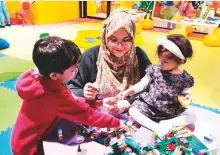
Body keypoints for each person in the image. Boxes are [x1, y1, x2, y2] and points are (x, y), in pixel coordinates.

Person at [11, 36, 128, 155]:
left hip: (25, 137)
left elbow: (72, 102)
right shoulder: (52, 95)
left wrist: (99, 103)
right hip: (30, 146)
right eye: (73, 70)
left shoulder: (40, 76)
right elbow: (85, 114)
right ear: (54, 75)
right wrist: (116, 122)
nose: (76, 71)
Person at [68, 9, 151, 111]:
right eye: (113, 40)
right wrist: (85, 93)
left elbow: (153, 86)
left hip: (132, 111)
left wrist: (129, 102)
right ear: (105, 37)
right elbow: (72, 88)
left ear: (133, 38)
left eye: (126, 40)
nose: (119, 46)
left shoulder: (139, 56)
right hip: (97, 112)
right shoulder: (91, 57)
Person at [118, 34, 196, 138]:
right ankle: (155, 126)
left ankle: (167, 124)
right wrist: (130, 90)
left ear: (180, 61)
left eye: (165, 61)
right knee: (133, 110)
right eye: (159, 59)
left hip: (171, 112)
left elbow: (186, 93)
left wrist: (187, 97)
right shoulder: (154, 69)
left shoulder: (185, 79)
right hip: (149, 107)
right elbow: (143, 84)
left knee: (193, 117)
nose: (160, 63)